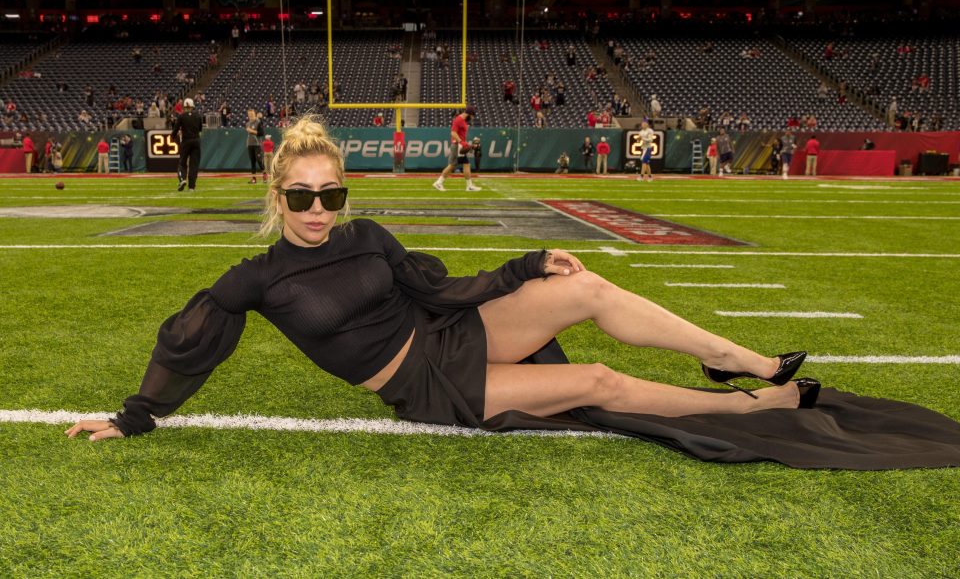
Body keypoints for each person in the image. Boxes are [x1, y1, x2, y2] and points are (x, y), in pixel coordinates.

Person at [65, 114, 817, 448]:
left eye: (330, 193)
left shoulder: (367, 235)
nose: (319, 209)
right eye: (301, 195)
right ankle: (754, 404)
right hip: (425, 381)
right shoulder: (256, 278)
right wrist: (134, 415)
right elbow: (190, 343)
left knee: (586, 287)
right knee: (598, 380)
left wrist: (527, 266)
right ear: (276, 196)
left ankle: (737, 359)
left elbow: (441, 289)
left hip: (450, 330)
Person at [432, 106, 481, 192]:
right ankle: (439, 183)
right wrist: (461, 142)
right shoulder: (458, 120)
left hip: (459, 145)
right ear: (469, 114)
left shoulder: (462, 120)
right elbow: (453, 133)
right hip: (458, 145)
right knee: (453, 165)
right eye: (472, 116)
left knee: (464, 164)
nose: (473, 118)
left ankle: (469, 186)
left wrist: (465, 143)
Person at [171, 98, 203, 191]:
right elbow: (200, 129)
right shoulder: (197, 116)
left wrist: (172, 137)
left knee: (182, 163)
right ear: (192, 106)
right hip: (196, 141)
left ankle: (182, 179)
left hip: (186, 141)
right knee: (194, 165)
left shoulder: (181, 116)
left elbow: (175, 129)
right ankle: (191, 187)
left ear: (184, 107)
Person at [245, 109, 263, 184]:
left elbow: (261, 133)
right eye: (249, 114)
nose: (250, 116)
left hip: (257, 144)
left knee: (259, 160)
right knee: (252, 161)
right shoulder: (247, 123)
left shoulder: (258, 122)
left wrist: (251, 131)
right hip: (250, 144)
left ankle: (264, 173)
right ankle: (254, 179)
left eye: (252, 114)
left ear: (255, 114)